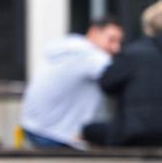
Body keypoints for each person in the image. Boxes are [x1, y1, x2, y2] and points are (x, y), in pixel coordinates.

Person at [85, 0, 162, 147]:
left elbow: (107, 83)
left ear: (148, 28)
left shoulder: (131, 54)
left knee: (87, 130)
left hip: (132, 136)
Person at [20, 16, 124, 149]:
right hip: (57, 135)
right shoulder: (91, 56)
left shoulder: (67, 48)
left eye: (119, 41)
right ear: (94, 32)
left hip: (33, 127)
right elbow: (120, 78)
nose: (116, 48)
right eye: (111, 40)